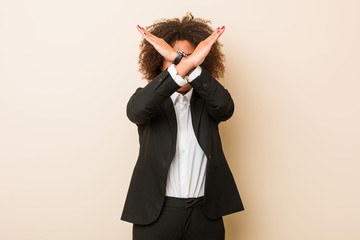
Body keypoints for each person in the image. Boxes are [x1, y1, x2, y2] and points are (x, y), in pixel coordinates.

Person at [121, 12, 245, 240]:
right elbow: (136, 112)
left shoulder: (209, 101)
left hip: (205, 213)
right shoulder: (146, 99)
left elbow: (225, 108)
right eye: (173, 58)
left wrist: (182, 62)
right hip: (156, 213)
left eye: (189, 58)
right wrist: (181, 64)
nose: (183, 65)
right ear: (159, 63)